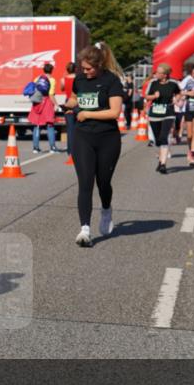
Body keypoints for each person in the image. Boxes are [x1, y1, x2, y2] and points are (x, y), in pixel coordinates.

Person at [62, 43, 125, 246]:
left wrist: (86, 113)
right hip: (83, 137)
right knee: (85, 182)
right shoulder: (80, 79)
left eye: (89, 69)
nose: (85, 72)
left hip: (107, 138)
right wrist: (66, 104)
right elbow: (74, 98)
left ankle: (106, 209)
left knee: (103, 183)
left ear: (98, 65)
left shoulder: (111, 80)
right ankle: (85, 230)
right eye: (83, 68)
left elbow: (115, 112)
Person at [144, 63, 180, 174]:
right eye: (156, 72)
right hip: (155, 113)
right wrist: (154, 96)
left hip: (168, 112)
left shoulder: (173, 83)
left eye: (159, 73)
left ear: (165, 75)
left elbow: (179, 93)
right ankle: (160, 160)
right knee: (157, 140)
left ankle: (163, 164)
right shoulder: (153, 83)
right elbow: (146, 96)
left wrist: (176, 99)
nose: (156, 74)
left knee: (164, 136)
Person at [28, 62, 60, 153]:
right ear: (52, 70)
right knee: (50, 125)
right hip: (47, 103)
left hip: (37, 103)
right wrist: (56, 105)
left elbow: (34, 90)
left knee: (37, 125)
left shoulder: (37, 78)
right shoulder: (52, 80)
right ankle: (52, 147)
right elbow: (50, 94)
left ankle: (35, 148)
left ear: (43, 70)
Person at [60, 62, 77, 156]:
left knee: (70, 128)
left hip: (68, 101)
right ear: (75, 69)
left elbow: (62, 88)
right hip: (78, 101)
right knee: (79, 127)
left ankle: (70, 150)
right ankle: (78, 148)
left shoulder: (63, 79)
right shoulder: (79, 78)